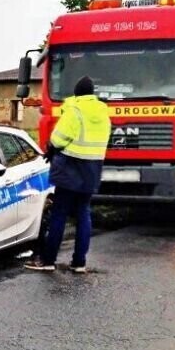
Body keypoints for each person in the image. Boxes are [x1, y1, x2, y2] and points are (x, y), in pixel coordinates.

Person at [25, 76, 111, 273]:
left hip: (70, 168)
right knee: (83, 213)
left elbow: (59, 138)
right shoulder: (103, 114)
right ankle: (79, 262)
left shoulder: (74, 110)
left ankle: (48, 261)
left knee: (59, 215)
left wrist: (52, 149)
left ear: (77, 92)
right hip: (92, 169)